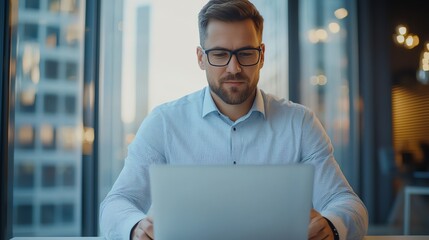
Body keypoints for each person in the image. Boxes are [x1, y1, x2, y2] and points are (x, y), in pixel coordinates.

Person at [99, 0, 368, 239]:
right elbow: (118, 202)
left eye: (245, 53)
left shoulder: (300, 123)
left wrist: (332, 226)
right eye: (219, 54)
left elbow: (346, 202)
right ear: (200, 58)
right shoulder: (164, 123)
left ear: (261, 55)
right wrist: (134, 227)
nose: (233, 68)